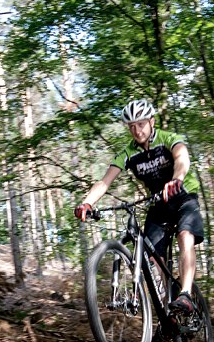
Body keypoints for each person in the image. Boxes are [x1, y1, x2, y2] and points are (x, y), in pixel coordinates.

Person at [74, 99, 206, 316]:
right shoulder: (128, 153)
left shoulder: (168, 139)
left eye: (141, 124)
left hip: (183, 197)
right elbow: (105, 181)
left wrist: (177, 178)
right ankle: (169, 308)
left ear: (151, 122)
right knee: (153, 256)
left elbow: (181, 157)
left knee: (185, 235)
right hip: (158, 204)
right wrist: (88, 202)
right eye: (131, 126)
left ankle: (186, 294)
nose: (136, 130)